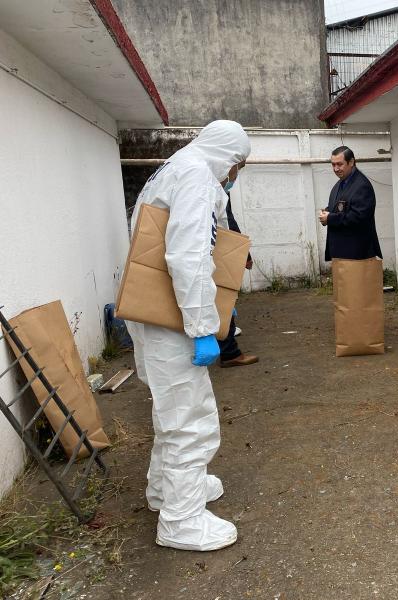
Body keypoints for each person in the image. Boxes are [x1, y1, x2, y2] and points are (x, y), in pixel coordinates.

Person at [126, 120, 250, 551]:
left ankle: (166, 492)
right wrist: (202, 327)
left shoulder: (174, 166)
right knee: (191, 421)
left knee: (170, 411)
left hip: (151, 313)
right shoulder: (198, 175)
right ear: (229, 158)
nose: (235, 175)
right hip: (173, 319)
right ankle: (181, 521)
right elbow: (189, 255)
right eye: (238, 166)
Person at [217, 188, 258, 368]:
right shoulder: (215, 190)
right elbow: (229, 224)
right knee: (224, 301)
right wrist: (245, 255)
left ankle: (226, 350)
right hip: (219, 253)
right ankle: (229, 352)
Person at [318, 146, 382, 260]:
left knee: (358, 279)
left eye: (339, 164)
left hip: (357, 255)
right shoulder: (341, 183)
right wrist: (327, 212)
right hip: (342, 253)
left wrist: (331, 218)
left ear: (351, 162)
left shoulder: (362, 185)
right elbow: (341, 207)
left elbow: (359, 217)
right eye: (333, 164)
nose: (336, 169)